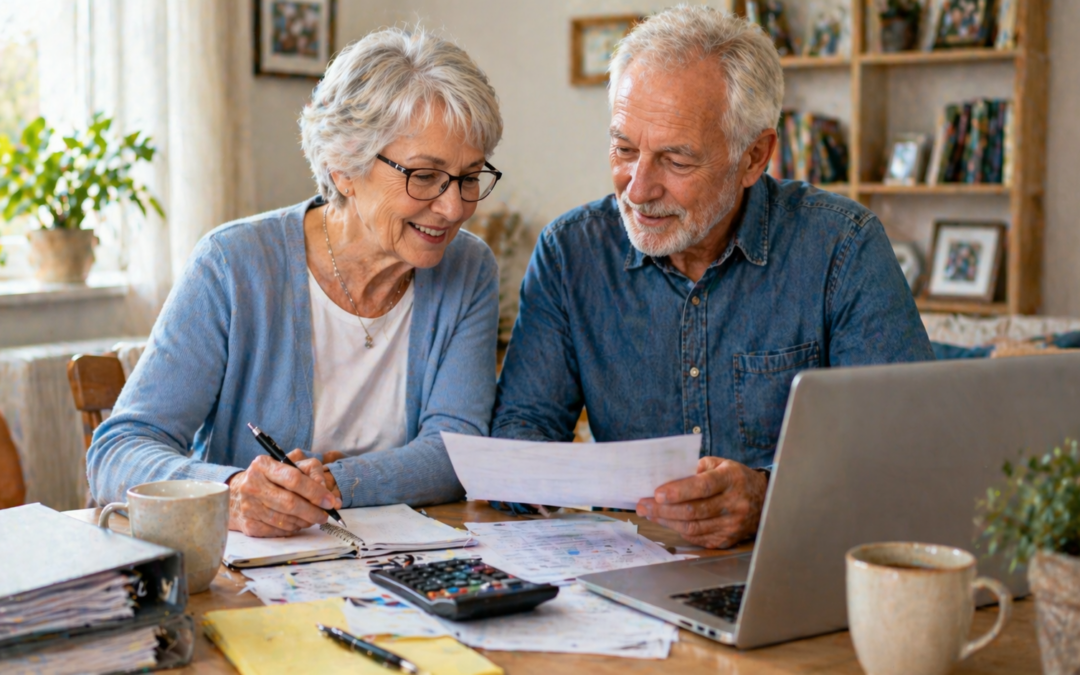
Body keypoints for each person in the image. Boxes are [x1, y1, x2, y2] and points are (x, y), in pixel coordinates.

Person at [492, 7, 934, 549]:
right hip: (628, 574)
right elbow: (521, 430)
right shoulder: (570, 254)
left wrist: (768, 498)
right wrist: (540, 479)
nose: (638, 188)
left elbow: (905, 456)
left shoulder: (843, 247)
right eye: (624, 149)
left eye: (676, 161)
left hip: (795, 561)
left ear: (754, 157)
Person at [88, 27, 504, 537]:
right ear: (343, 166)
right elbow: (118, 451)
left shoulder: (470, 268)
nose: (455, 207)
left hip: (395, 563)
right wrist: (236, 490)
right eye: (424, 176)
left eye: (469, 177)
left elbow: (455, 451)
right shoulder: (233, 264)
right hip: (250, 576)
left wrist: (327, 484)